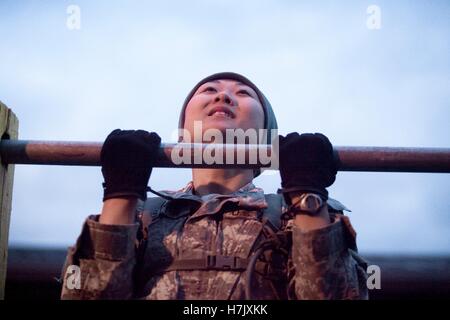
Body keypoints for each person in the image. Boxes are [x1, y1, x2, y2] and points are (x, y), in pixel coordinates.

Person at [60, 72, 368, 300]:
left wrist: (306, 192)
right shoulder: (142, 217)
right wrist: (121, 191)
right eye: (209, 90)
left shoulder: (292, 217)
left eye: (244, 93)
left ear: (265, 137)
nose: (223, 97)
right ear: (182, 134)